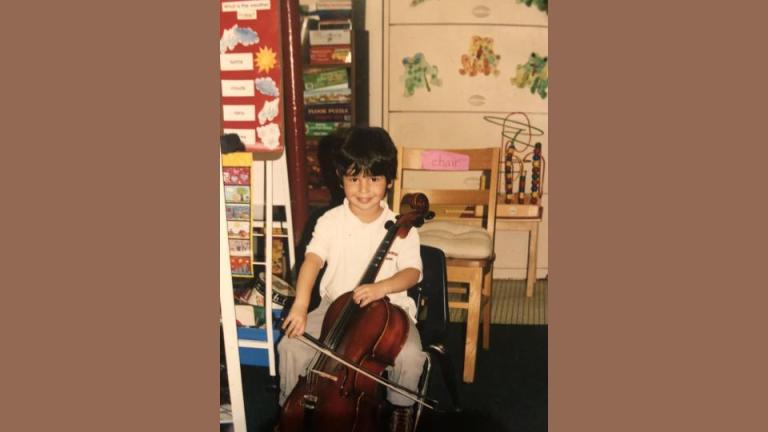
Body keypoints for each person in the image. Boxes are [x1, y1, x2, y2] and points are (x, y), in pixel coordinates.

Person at [278, 126, 425, 432]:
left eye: (374, 179)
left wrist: (381, 287)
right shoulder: (329, 221)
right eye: (353, 178)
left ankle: (401, 413)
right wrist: (301, 306)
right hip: (335, 307)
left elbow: (413, 272)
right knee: (290, 347)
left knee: (411, 357)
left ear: (389, 181)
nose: (363, 189)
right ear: (340, 177)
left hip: (390, 310)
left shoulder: (402, 228)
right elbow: (312, 261)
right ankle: (291, 410)